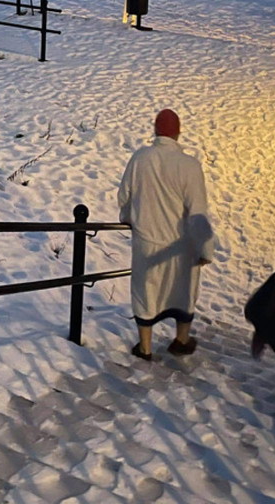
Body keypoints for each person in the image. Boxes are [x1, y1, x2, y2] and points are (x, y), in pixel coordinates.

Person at [118, 108, 217, 360]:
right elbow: (197, 210)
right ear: (178, 133)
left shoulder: (140, 159)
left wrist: (127, 217)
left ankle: (145, 347)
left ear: (156, 130)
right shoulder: (190, 165)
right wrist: (205, 248)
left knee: (145, 292)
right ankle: (181, 340)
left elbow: (124, 196)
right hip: (181, 246)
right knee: (183, 292)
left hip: (147, 241)